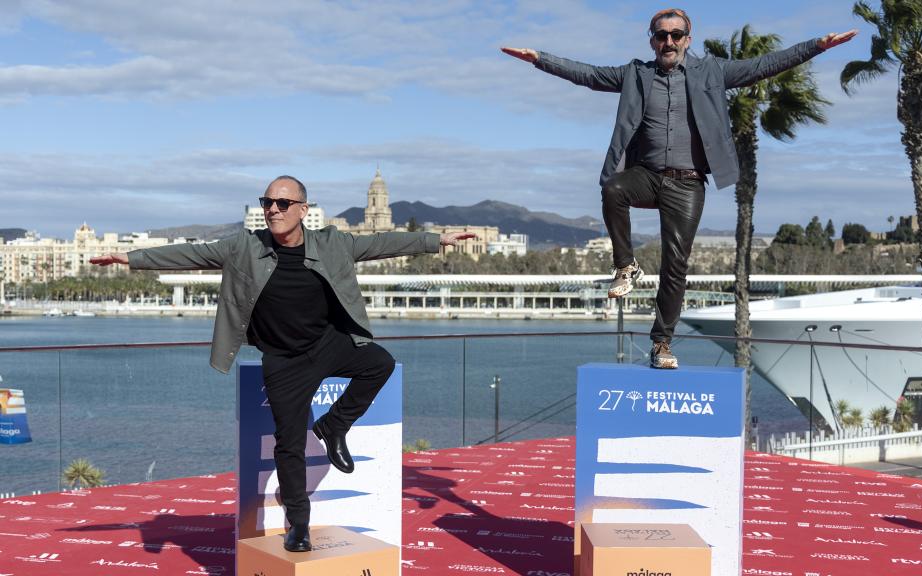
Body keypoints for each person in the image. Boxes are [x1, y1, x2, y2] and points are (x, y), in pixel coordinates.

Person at [91, 175, 474, 552]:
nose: (273, 210)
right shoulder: (243, 246)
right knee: (289, 446)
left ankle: (334, 424)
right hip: (283, 361)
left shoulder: (332, 242)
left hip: (327, 344)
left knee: (380, 363)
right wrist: (128, 258)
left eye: (282, 203)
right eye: (267, 203)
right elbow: (190, 254)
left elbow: (381, 243)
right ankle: (299, 525)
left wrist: (435, 239)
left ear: (302, 210)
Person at [502, 8, 855, 369]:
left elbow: (764, 65)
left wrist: (817, 45)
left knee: (675, 266)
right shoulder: (636, 74)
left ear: (688, 38)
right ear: (652, 40)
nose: (668, 41)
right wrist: (539, 59)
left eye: (675, 34)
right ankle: (626, 266)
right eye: (661, 35)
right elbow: (589, 75)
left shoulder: (713, 72)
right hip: (648, 174)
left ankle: (662, 344)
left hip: (687, 183)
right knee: (613, 189)